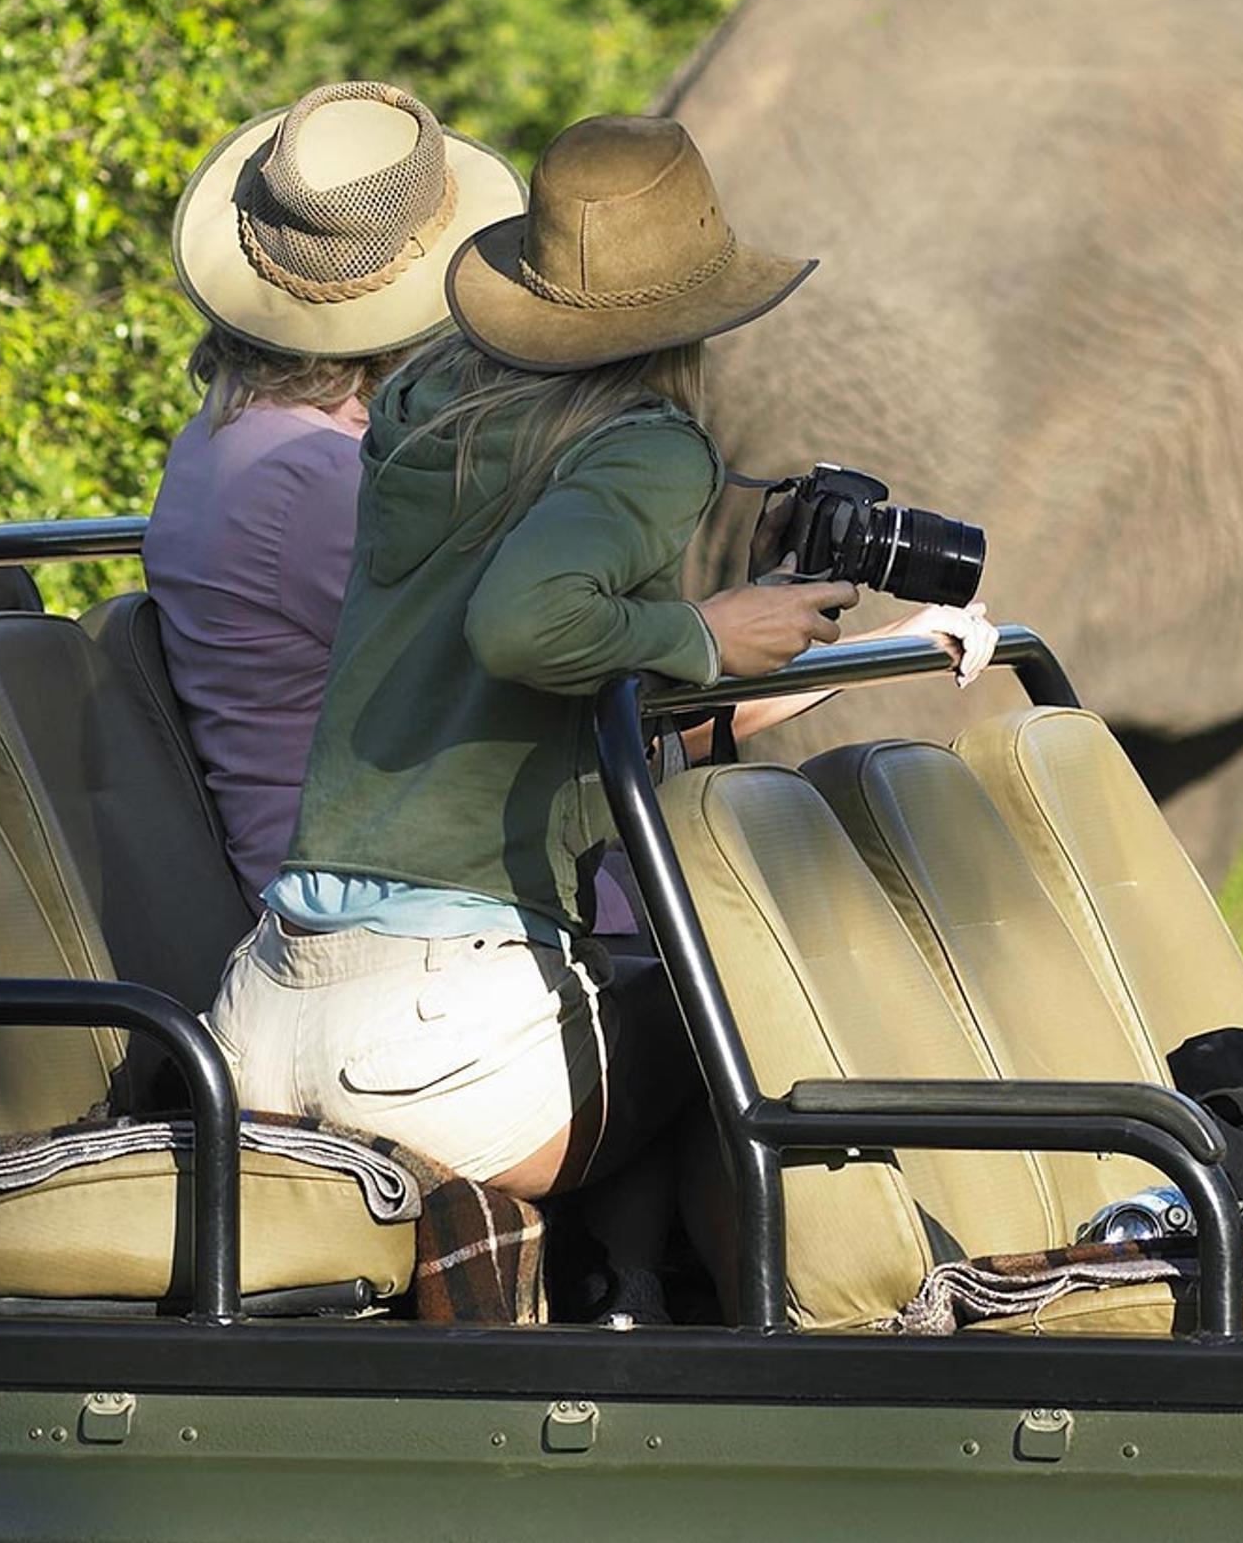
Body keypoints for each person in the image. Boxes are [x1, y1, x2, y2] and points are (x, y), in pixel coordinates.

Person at [207, 113, 989, 1231]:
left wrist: (798, 641)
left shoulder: (424, 422)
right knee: (752, 1030)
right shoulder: (648, 442)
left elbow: (538, 649)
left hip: (269, 1009)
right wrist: (707, 636)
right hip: (447, 1044)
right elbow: (524, 626)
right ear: (700, 302)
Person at [146, 80, 520, 896]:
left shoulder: (236, 433)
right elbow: (516, 684)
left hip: (370, 860)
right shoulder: (316, 478)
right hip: (385, 891)